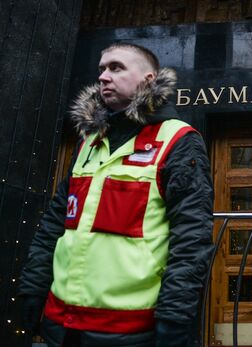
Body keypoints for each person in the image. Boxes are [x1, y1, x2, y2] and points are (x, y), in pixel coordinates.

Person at [18, 42, 214, 347]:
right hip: (61, 323)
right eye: (101, 69)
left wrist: (175, 318)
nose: (104, 77)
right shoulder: (88, 143)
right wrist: (33, 288)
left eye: (116, 67)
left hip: (129, 331)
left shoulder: (178, 140)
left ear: (149, 79)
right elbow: (55, 223)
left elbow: (191, 238)